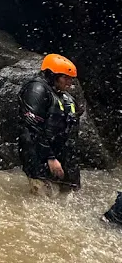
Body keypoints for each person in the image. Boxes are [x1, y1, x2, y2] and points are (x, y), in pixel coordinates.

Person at [18, 53, 82, 196]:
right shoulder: (36, 90)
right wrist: (50, 158)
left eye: (71, 78)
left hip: (62, 154)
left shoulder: (66, 97)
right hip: (40, 155)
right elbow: (32, 128)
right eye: (65, 77)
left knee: (71, 195)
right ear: (52, 75)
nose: (69, 82)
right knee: (43, 198)